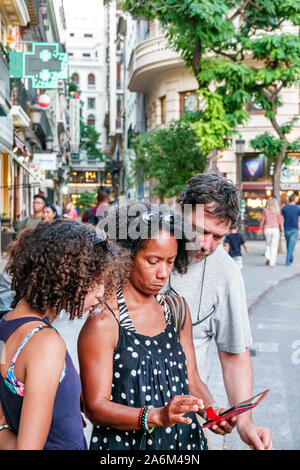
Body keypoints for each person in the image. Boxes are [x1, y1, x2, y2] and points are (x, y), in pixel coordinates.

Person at [78, 202, 236, 451]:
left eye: (170, 261)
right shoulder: (104, 321)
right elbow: (95, 406)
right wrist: (156, 416)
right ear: (125, 256)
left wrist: (211, 410)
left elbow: (191, 379)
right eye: (152, 261)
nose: (163, 273)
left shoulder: (176, 309)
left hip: (183, 443)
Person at [162, 173, 273, 450]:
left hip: (188, 420)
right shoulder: (145, 247)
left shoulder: (226, 272)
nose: (205, 244)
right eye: (198, 230)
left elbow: (234, 354)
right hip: (127, 411)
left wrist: (245, 422)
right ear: (181, 213)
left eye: (217, 236)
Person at [0, 219, 124, 450]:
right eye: (96, 281)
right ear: (66, 275)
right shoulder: (46, 343)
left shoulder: (6, 324)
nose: (100, 295)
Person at [257, 197, 282, 266]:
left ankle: (267, 256)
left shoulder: (265, 210)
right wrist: (280, 230)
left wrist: (260, 229)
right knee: (274, 245)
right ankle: (272, 262)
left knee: (268, 244)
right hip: (275, 229)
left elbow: (262, 220)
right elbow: (279, 222)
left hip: (267, 229)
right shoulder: (278, 211)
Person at [281, 193, 300, 266]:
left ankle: (290, 258)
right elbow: (299, 220)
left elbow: (281, 218)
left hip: (286, 228)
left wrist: (280, 227)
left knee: (289, 245)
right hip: (294, 229)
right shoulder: (298, 208)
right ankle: (287, 261)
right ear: (295, 200)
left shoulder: (284, 208)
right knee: (291, 245)